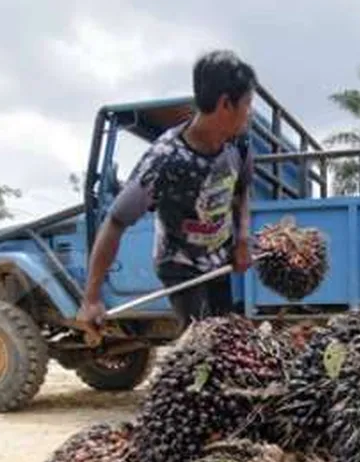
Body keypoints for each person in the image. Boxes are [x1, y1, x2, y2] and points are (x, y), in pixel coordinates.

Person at [76, 50, 257, 339]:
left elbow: (242, 191)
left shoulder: (240, 143)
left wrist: (243, 241)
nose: (251, 112)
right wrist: (91, 298)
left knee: (229, 338)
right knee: (202, 343)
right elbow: (116, 221)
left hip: (218, 258)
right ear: (225, 104)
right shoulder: (165, 160)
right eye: (248, 103)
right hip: (180, 264)